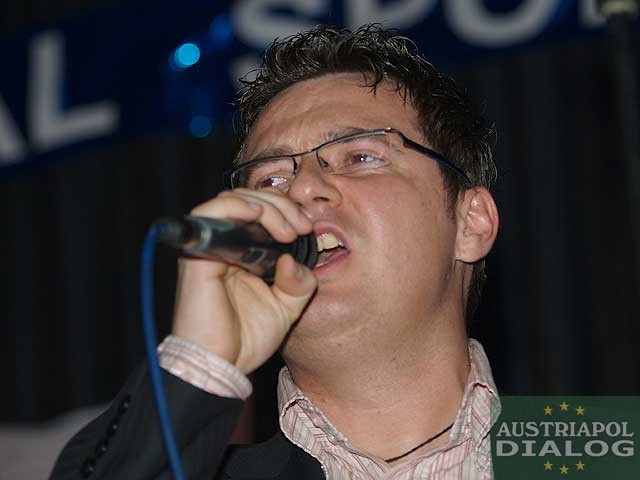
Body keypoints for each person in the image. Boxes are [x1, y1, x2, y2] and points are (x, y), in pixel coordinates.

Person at [51, 24, 500, 479]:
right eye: (271, 180)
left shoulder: (550, 447)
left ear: (471, 223)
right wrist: (202, 361)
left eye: (360, 157)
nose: (301, 189)